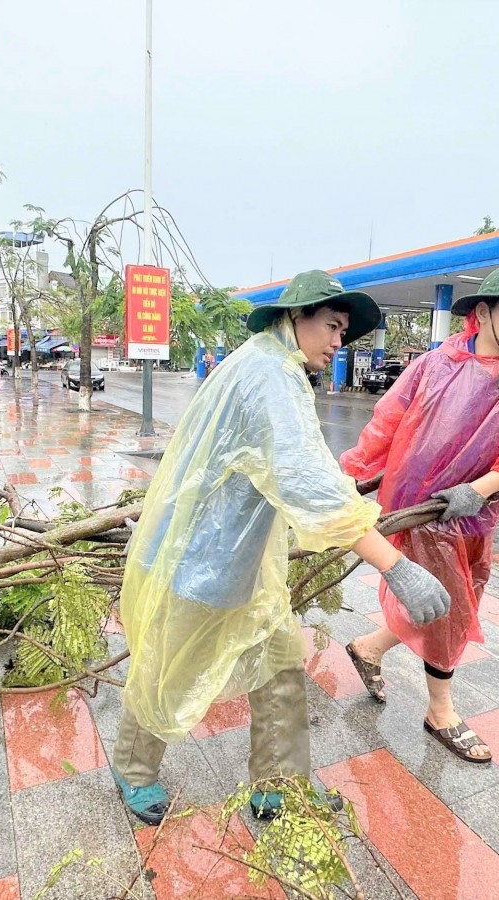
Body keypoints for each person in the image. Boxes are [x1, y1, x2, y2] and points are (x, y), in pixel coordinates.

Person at [113, 270, 452, 825]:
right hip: (201, 562)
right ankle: (133, 768)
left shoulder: (268, 362)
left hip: (242, 561)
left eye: (345, 332)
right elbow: (306, 483)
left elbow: (297, 468)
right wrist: (395, 565)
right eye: (333, 327)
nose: (339, 342)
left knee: (281, 667)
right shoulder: (270, 374)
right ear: (296, 318)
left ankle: (278, 784)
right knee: (169, 670)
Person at [340, 263, 499, 763]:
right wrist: (350, 476)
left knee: (454, 595)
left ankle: (368, 648)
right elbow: (388, 421)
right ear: (484, 313)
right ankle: (440, 710)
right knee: (452, 608)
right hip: (421, 506)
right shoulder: (436, 364)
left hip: (477, 508)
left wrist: (481, 488)